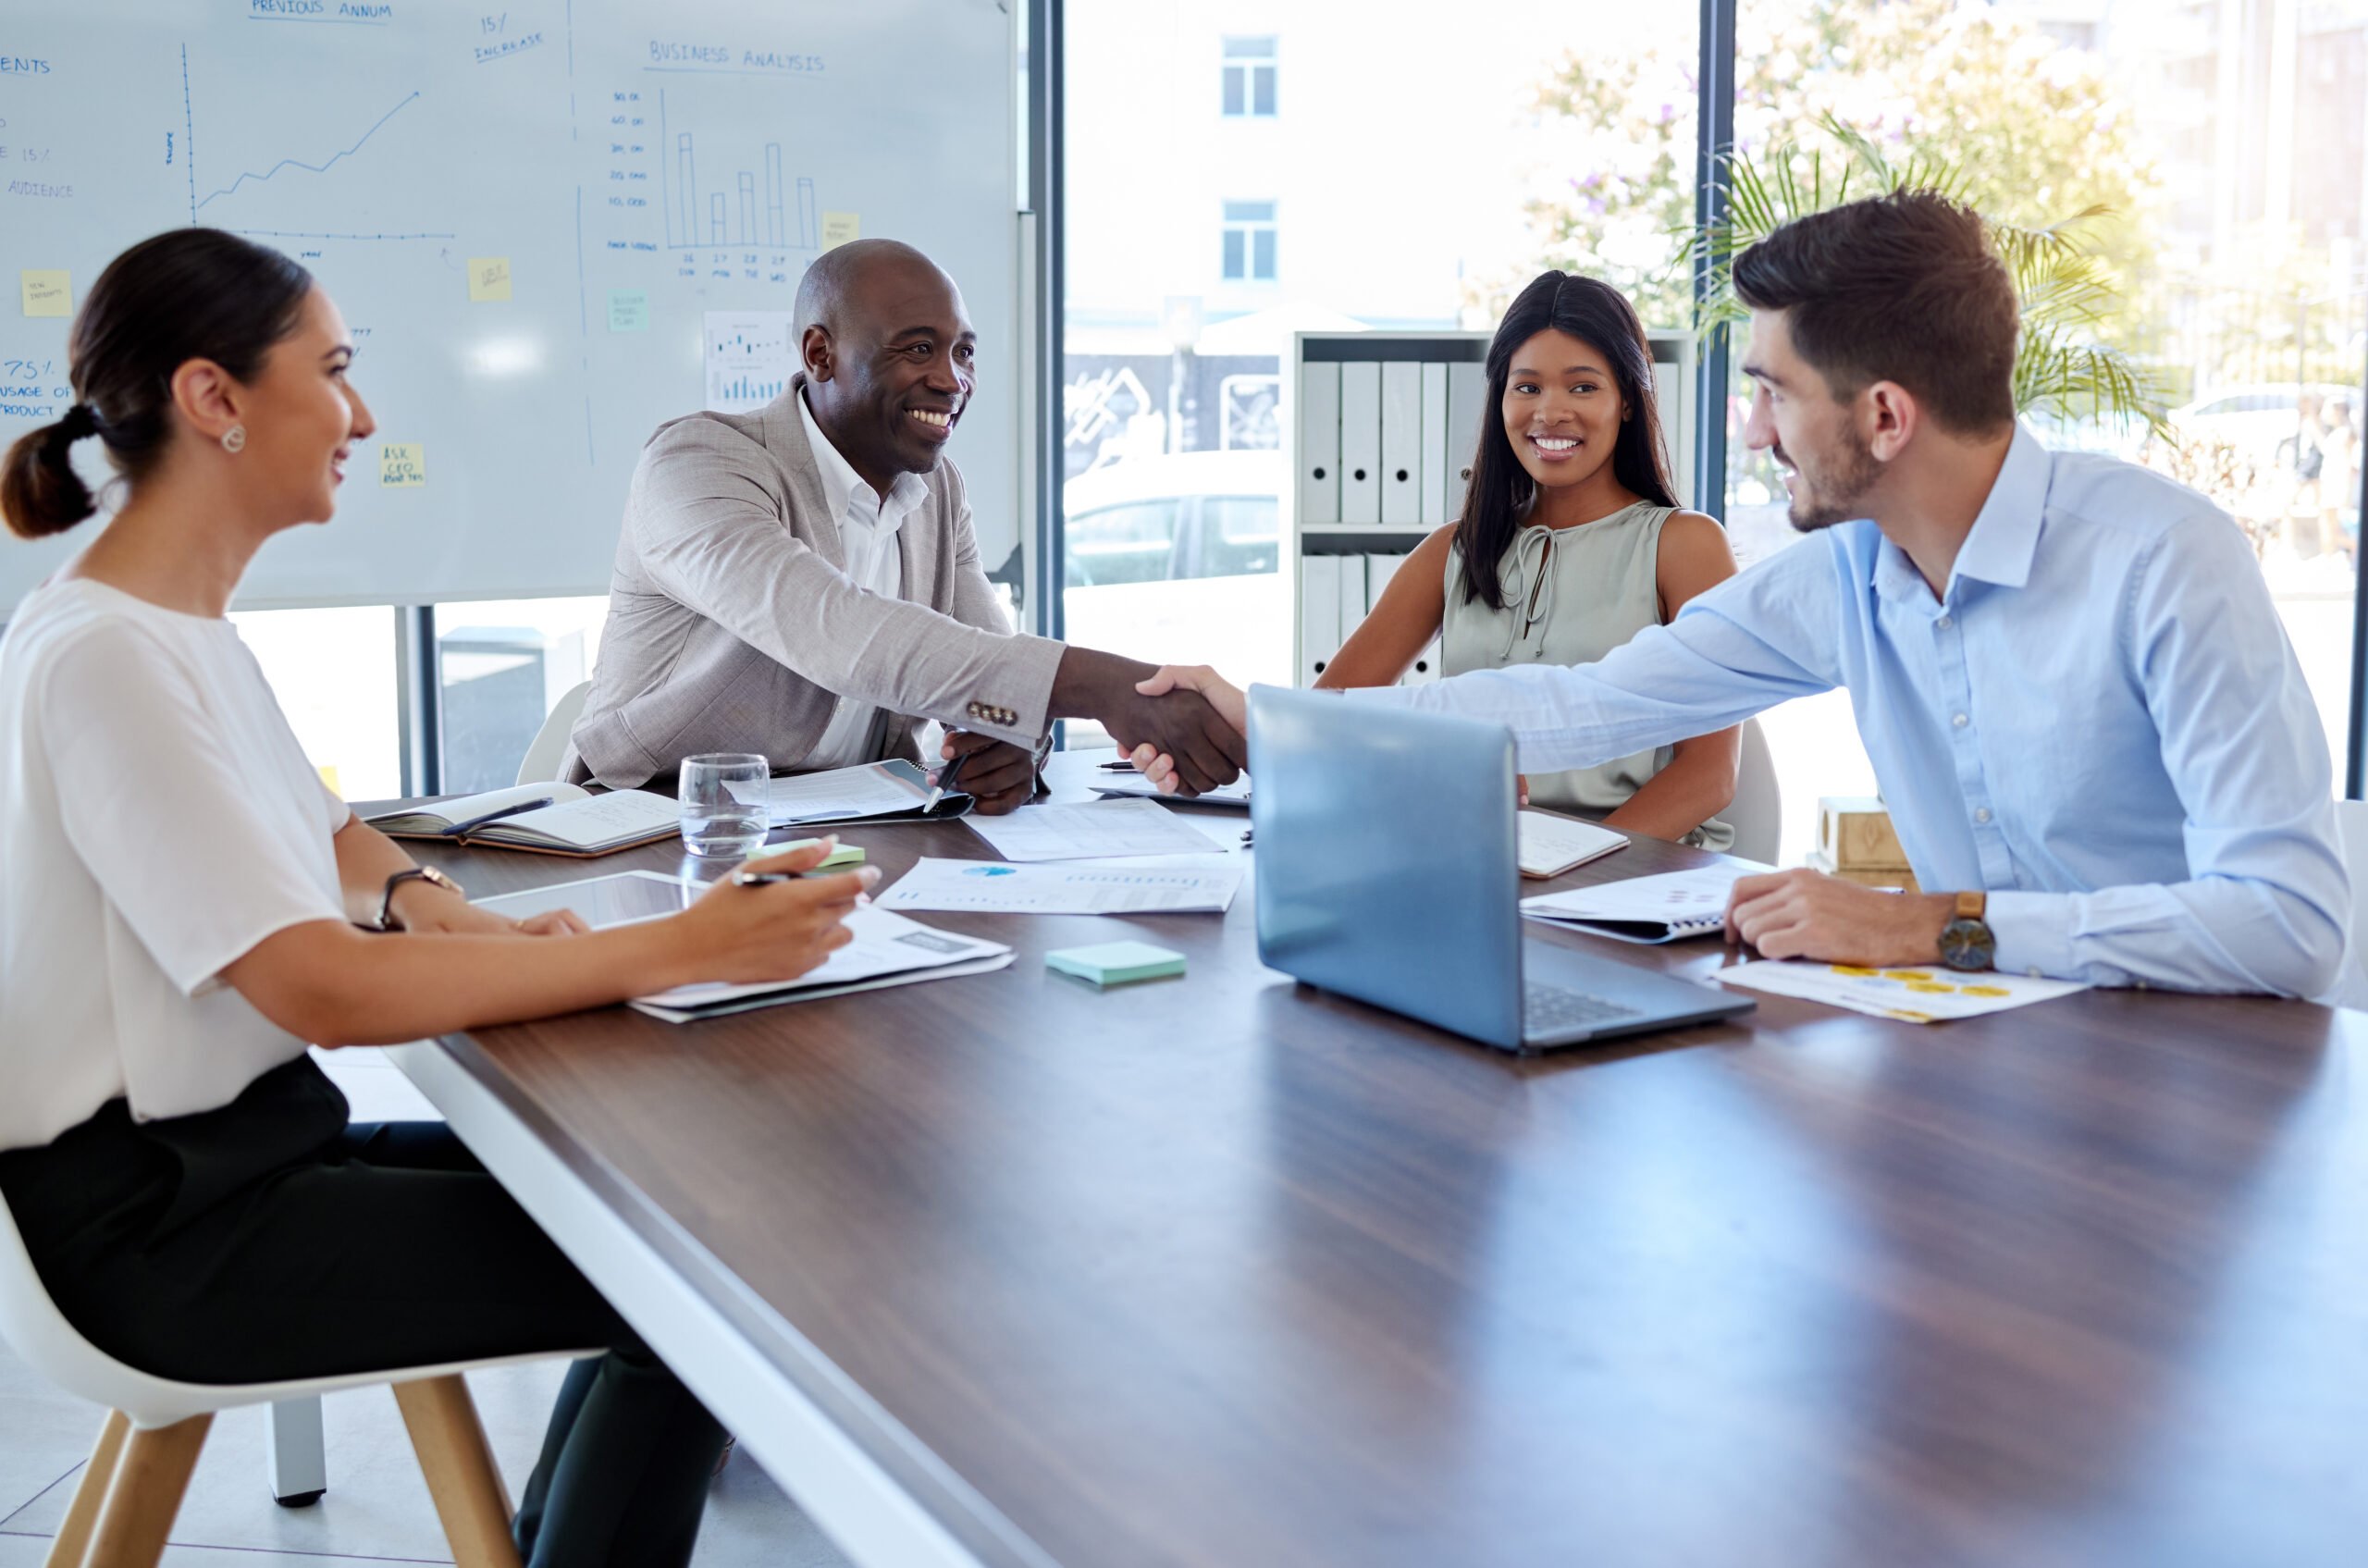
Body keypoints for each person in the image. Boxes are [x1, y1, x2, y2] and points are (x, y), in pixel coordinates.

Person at [0, 228, 873, 1566]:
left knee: (681, 1223)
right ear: (213, 399)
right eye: (335, 370)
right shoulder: (108, 651)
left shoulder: (158, 621)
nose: (362, 414)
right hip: (164, 1231)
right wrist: (684, 943)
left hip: (236, 1157)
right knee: (713, 1285)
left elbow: (320, 820)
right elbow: (322, 990)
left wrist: (426, 898)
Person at [1130, 192, 2349, 996]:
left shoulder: (2163, 561)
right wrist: (1259, 713)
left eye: (1772, 392)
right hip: (1992, 1043)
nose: (1754, 428)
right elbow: (1583, 704)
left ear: (1882, 415)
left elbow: (2287, 924)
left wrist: (1930, 925)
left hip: (2205, 1075)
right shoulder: (1849, 576)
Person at [570, 237, 1243, 809]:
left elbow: (983, 655)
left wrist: (1011, 743)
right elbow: (836, 632)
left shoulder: (937, 489)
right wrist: (1107, 688)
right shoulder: (698, 464)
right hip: (655, 822)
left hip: (849, 832)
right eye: (919, 349)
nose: (953, 380)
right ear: (819, 354)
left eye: (965, 352)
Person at [1318, 271, 1739, 846]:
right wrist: (1427, 773)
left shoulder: (1685, 545)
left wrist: (1570, 873)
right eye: (1527, 387)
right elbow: (1328, 722)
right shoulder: (1453, 550)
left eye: (1583, 387)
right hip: (1482, 860)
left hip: (1631, 869)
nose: (1550, 413)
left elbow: (1709, 774)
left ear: (1628, 404)